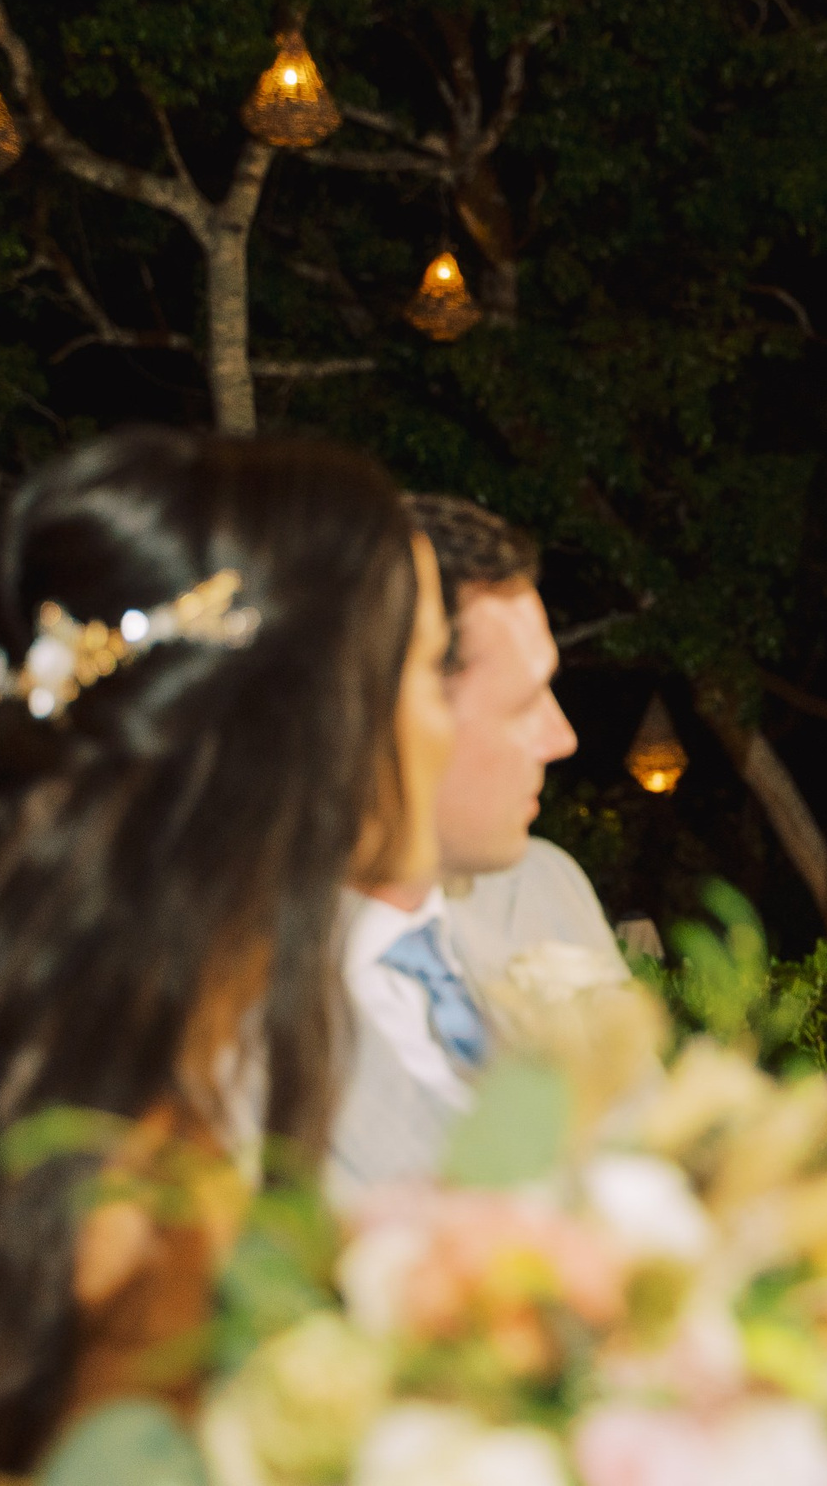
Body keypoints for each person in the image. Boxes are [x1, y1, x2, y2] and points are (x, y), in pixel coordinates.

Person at [0, 429, 453, 1485]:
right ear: (303, 729)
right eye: (427, 669)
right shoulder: (117, 1192)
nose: (447, 724)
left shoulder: (27, 1044)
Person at [327, 494, 621, 1200]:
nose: (562, 738)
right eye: (524, 703)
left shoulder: (547, 889)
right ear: (389, 713)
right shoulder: (220, 997)